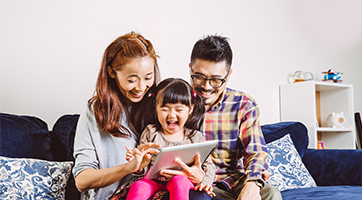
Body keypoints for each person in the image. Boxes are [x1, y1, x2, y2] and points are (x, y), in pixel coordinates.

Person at [73, 32, 212, 200]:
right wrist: (128, 167)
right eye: (132, 80)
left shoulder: (162, 105)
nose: (141, 87)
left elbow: (199, 160)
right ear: (111, 72)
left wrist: (199, 175)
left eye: (148, 77)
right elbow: (81, 181)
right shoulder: (96, 111)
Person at [187, 35, 282, 200]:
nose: (206, 87)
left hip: (233, 181)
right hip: (197, 183)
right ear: (190, 69)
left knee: (271, 193)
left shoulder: (244, 105)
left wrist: (252, 184)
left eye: (216, 80)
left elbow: (256, 151)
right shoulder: (176, 102)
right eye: (199, 77)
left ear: (229, 75)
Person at [125, 78, 216, 200]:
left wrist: (205, 183)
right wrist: (139, 166)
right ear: (156, 108)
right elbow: (144, 169)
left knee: (179, 182)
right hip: (154, 181)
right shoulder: (151, 132)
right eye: (165, 109)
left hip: (183, 181)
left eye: (179, 109)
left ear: (190, 109)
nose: (172, 115)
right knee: (139, 186)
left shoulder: (195, 137)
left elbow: (209, 167)